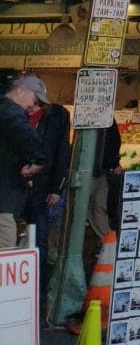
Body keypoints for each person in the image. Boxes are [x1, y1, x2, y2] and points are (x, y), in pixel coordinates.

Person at [22, 74, 70, 309]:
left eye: (36, 103)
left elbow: (62, 152)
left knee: (39, 238)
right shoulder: (14, 115)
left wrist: (57, 188)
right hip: (16, 185)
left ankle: (36, 293)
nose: (32, 108)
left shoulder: (58, 117)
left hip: (41, 186)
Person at [0, 76, 47, 251]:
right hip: (3, 201)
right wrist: (39, 160)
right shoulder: (10, 112)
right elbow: (30, 139)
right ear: (20, 91)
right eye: (34, 102)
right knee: (5, 251)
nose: (34, 109)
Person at [89, 121, 123, 241]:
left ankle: (108, 242)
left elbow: (113, 142)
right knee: (98, 207)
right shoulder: (106, 118)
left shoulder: (107, 120)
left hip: (99, 171)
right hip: (96, 170)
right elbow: (114, 142)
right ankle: (108, 241)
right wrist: (114, 163)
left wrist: (114, 163)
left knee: (98, 207)